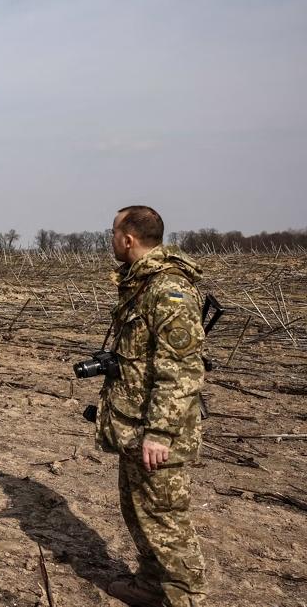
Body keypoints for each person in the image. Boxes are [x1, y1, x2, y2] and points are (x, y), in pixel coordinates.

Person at [98, 205, 208, 607]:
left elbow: (182, 370)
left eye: (113, 233)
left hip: (157, 433)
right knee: (139, 513)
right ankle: (151, 585)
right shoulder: (141, 284)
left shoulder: (169, 291)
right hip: (135, 426)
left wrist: (159, 433)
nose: (110, 240)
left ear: (128, 239)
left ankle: (186, 598)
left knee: (166, 523)